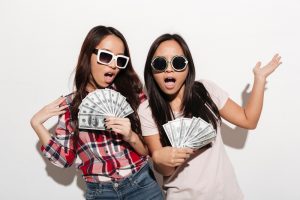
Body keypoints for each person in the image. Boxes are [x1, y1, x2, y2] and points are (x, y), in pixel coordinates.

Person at [138, 33, 282, 200]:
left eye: (177, 62)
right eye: (160, 63)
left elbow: (248, 120)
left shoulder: (206, 91)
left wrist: (260, 79)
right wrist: (160, 159)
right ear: (151, 70)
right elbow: (166, 170)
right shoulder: (147, 110)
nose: (169, 69)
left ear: (188, 67)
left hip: (227, 193)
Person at [30, 25, 163, 200]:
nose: (114, 65)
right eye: (106, 56)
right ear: (88, 56)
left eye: (120, 59)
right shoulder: (70, 106)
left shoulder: (133, 96)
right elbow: (64, 160)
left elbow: (150, 150)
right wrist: (36, 124)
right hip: (101, 193)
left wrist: (131, 135)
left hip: (141, 185)